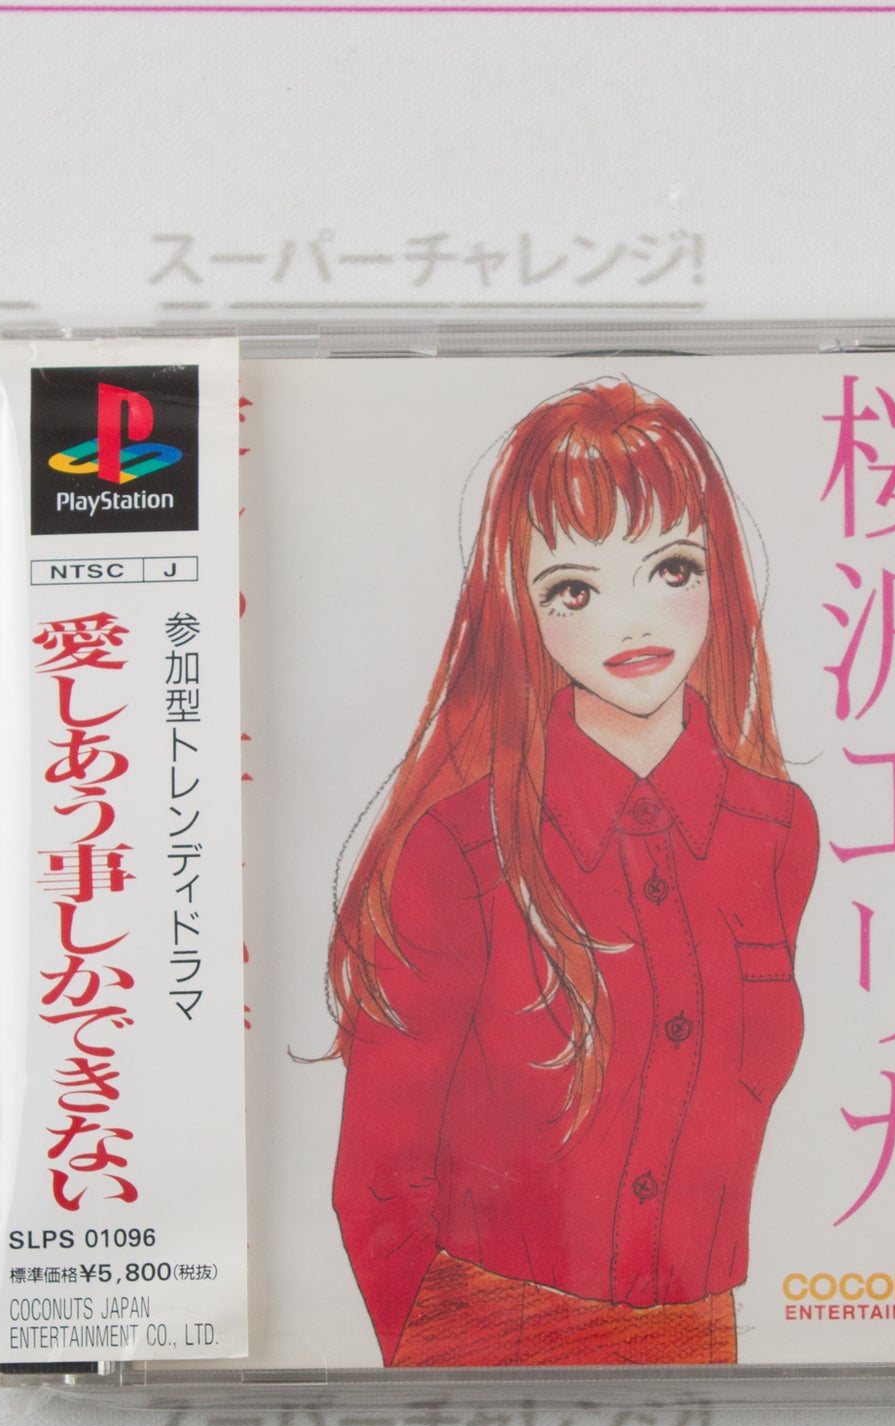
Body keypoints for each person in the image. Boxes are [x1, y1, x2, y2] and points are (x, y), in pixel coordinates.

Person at [328, 376, 818, 1367]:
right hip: (483, 1335)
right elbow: (378, 1175)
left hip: (699, 1338)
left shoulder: (776, 829)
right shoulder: (458, 848)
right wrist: (432, 1370)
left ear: (719, 576)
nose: (632, 621)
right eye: (576, 590)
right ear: (523, 610)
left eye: (671, 568)